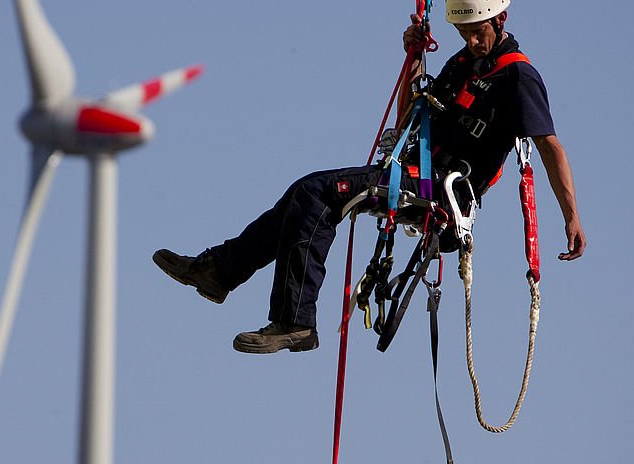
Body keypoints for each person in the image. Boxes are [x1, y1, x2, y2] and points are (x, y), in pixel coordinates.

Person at [154, 0, 586, 354]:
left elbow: (550, 147)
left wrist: (570, 216)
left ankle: (295, 321)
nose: (472, 42)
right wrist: (413, 59)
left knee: (317, 192)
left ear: (501, 19)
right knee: (301, 195)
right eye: (464, 34)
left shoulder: (517, 75)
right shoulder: (461, 65)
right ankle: (219, 271)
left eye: (479, 32)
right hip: (414, 174)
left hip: (442, 192)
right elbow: (410, 116)